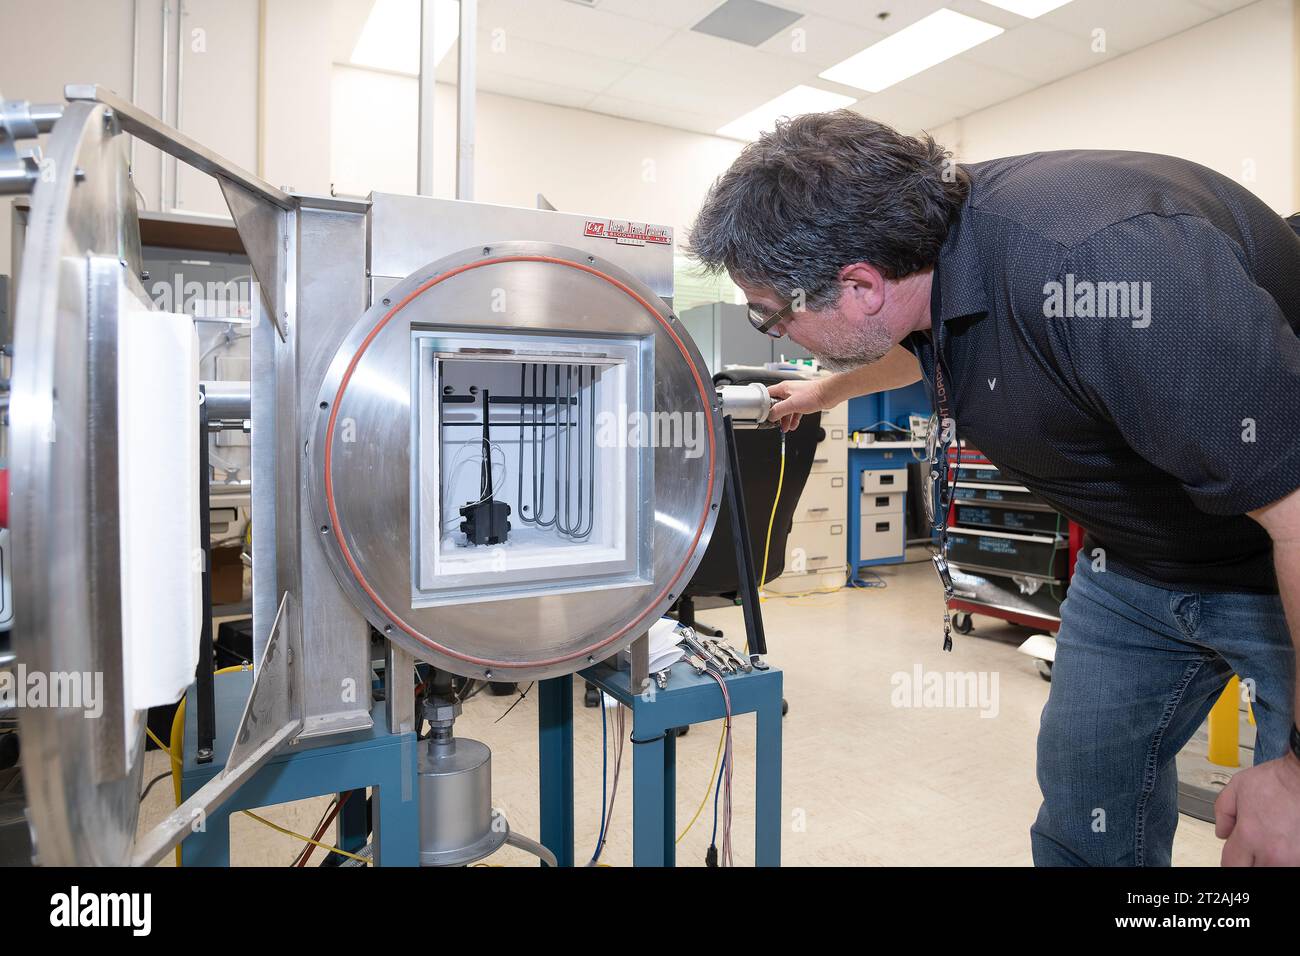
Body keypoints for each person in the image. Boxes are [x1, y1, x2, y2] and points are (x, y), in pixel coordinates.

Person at [688, 109, 1300, 866]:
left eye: (771, 313)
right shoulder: (924, 243)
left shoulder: (1106, 262)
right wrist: (826, 392)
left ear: (858, 285)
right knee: (1084, 818)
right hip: (1138, 567)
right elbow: (920, 339)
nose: (771, 330)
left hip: (1273, 568)